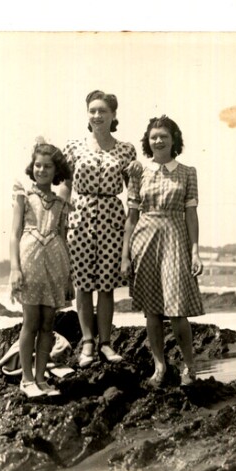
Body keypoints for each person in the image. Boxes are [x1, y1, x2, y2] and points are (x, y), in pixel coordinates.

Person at [58, 90, 142, 367]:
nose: (97, 115)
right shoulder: (73, 147)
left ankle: (105, 343)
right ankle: (87, 343)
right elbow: (65, 186)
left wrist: (134, 224)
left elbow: (133, 192)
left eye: (102, 111)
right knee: (83, 284)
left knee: (107, 285)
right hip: (80, 218)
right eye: (92, 110)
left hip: (111, 219)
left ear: (113, 115)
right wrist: (58, 219)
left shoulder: (126, 149)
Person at [121, 115, 205, 386]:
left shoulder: (188, 172)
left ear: (173, 140)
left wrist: (195, 251)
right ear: (147, 141)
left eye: (163, 136)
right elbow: (132, 217)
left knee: (177, 309)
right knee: (152, 311)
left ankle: (189, 366)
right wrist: (125, 255)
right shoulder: (138, 173)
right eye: (153, 137)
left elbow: (191, 215)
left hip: (176, 239)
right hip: (144, 240)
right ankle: (160, 367)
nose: (158, 141)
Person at [10, 141, 74, 397]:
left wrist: (68, 276)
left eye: (48, 166)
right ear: (32, 166)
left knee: (48, 323)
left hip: (55, 263)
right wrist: (15, 269)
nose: (42, 170)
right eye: (38, 165)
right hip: (30, 261)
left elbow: (63, 238)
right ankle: (26, 380)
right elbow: (14, 234)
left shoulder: (60, 202)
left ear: (56, 170)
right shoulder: (24, 196)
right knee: (31, 321)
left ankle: (40, 378)